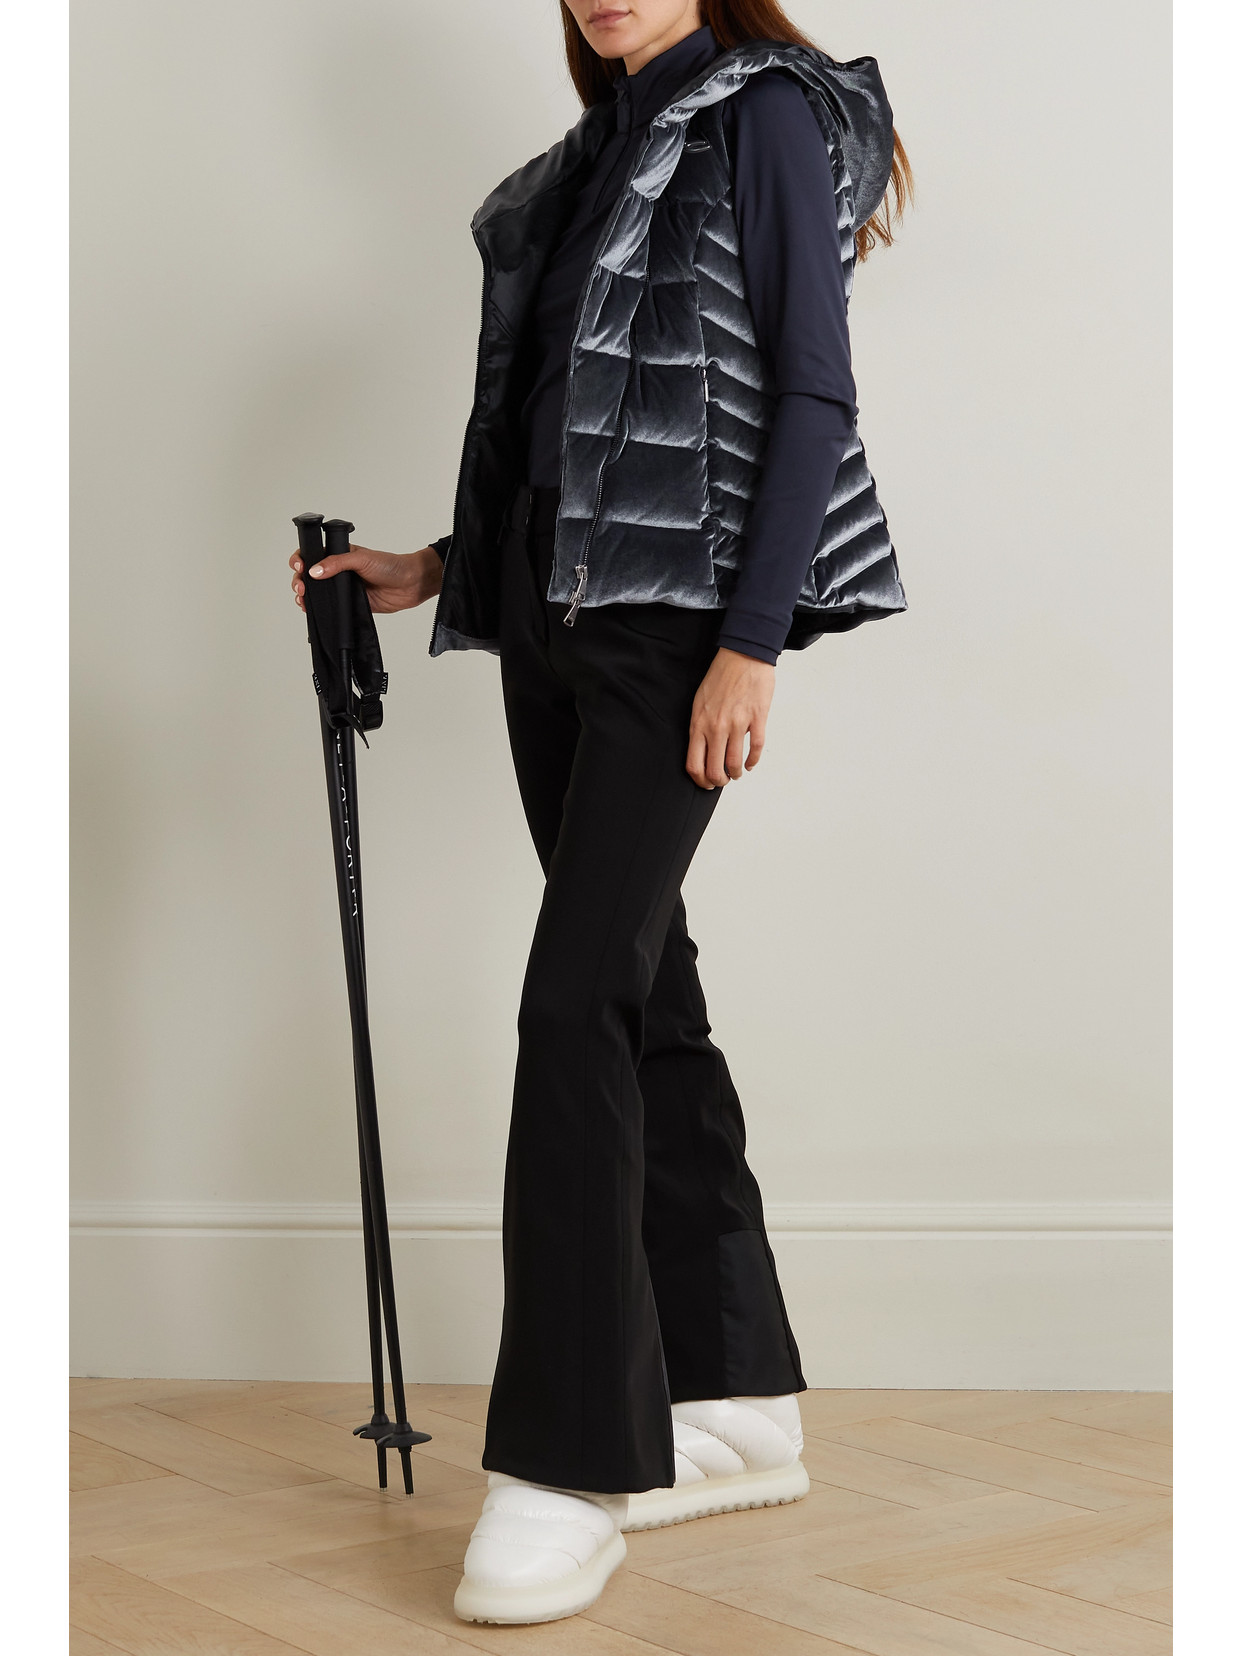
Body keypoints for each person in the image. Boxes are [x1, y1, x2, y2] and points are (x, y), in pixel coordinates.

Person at [290, 0, 909, 1627]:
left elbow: (810, 396)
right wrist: (432, 567)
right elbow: (573, 428)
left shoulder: (762, 114)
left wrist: (750, 645)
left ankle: (567, 1466)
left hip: (671, 637)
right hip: (549, 627)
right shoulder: (581, 164)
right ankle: (735, 1392)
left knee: (570, 1008)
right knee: (639, 995)